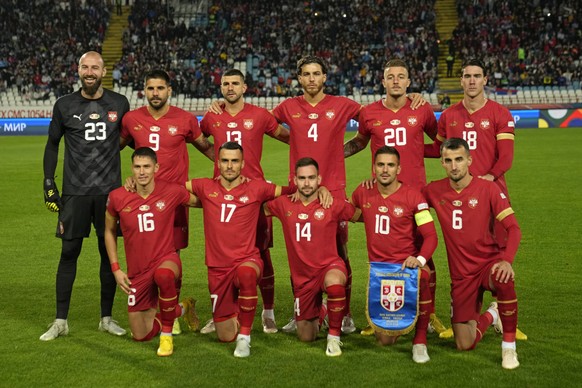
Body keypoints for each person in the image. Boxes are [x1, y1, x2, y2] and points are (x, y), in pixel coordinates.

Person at [425, 58, 526, 340]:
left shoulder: (499, 113)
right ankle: (471, 313)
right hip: (459, 191)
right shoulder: (448, 116)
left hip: (491, 191)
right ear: (461, 81)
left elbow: (506, 157)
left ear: (485, 80)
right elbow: (438, 149)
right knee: (464, 251)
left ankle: (508, 319)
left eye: (476, 76)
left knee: (499, 251)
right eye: (467, 76)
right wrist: (407, 148)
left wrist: (489, 179)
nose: (471, 81)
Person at [343, 58, 446, 336]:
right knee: (384, 254)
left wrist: (412, 150)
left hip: (416, 193)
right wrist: (332, 155)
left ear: (409, 82)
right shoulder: (369, 112)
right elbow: (359, 143)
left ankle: (430, 313)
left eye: (402, 77)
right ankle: (380, 314)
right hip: (382, 194)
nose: (396, 81)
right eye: (391, 77)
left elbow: (440, 145)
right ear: (383, 81)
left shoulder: (421, 108)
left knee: (423, 252)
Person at [41, 51, 130, 341]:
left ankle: (106, 318)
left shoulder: (119, 103)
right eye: (85, 67)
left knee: (108, 254)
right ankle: (60, 321)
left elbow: (130, 138)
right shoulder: (64, 105)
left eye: (95, 67)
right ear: (78, 70)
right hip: (75, 194)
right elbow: (53, 144)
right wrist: (48, 183)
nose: (89, 71)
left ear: (104, 71)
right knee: (69, 253)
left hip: (109, 195)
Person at [121, 69, 213, 334]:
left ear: (169, 90)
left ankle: (170, 314)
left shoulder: (184, 120)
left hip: (174, 202)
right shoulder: (132, 119)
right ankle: (174, 309)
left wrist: (232, 175)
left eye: (160, 88)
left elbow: (206, 148)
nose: (155, 93)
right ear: (144, 90)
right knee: (144, 253)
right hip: (142, 201)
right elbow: (116, 147)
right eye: (150, 89)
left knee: (173, 256)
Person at [198, 69, 290, 335]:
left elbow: (288, 137)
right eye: (225, 83)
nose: (229, 87)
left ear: (245, 87)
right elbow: (200, 140)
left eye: (235, 83)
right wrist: (217, 163)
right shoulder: (213, 115)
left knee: (262, 252)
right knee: (222, 256)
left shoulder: (260, 115)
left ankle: (268, 312)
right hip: (222, 196)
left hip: (255, 197)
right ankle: (222, 313)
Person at [423, 138, 522, 370]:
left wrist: (506, 261)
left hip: (489, 266)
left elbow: (514, 228)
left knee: (503, 279)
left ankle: (509, 348)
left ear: (469, 160)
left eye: (459, 159)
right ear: (442, 163)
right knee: (464, 344)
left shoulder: (488, 188)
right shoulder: (433, 190)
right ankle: (492, 315)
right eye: (448, 161)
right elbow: (405, 198)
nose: (454, 166)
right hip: (461, 276)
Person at [185, 142, 289, 358]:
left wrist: (322, 188)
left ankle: (245, 338)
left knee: (247, 274)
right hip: (217, 269)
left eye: (234, 161)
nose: (229, 166)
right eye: (225, 161)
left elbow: (289, 191)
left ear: (242, 163)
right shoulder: (204, 187)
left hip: (247, 260)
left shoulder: (257, 187)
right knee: (224, 336)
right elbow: (171, 187)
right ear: (218, 163)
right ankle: (205, 310)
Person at [104, 147, 200, 357]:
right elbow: (109, 232)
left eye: (146, 166)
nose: (142, 172)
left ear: (156, 168)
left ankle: (167, 337)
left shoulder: (172, 191)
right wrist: (116, 269)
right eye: (137, 167)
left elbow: (202, 202)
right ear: (132, 169)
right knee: (140, 334)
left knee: (164, 276)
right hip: (137, 272)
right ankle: (184, 307)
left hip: (166, 260)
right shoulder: (118, 197)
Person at [351, 146, 438, 363]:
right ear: (373, 168)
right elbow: (347, 211)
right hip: (380, 272)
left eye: (390, 165)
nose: (385, 170)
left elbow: (431, 237)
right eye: (380, 164)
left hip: (405, 267)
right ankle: (407, 319)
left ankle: (420, 341)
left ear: (399, 168)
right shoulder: (362, 192)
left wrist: (418, 260)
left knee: (424, 275)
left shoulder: (413, 196)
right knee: (384, 341)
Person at [265, 157, 355, 356]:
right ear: (294, 180)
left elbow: (360, 214)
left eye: (311, 178)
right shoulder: (282, 205)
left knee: (335, 283)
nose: (307, 183)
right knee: (306, 336)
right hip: (303, 279)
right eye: (302, 178)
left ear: (319, 179)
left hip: (329, 267)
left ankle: (333, 338)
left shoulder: (331, 203)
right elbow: (255, 205)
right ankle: (322, 310)